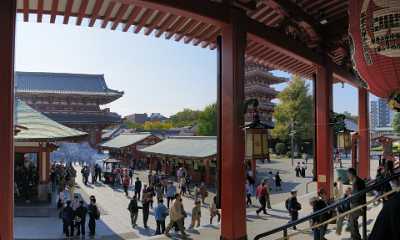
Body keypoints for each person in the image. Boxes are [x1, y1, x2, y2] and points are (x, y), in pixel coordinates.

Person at [347, 167, 366, 240]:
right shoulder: (359, 180)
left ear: (351, 174)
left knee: (352, 221)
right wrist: (352, 192)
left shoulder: (355, 182)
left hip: (357, 205)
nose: (348, 177)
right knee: (352, 221)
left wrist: (350, 195)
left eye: (348, 175)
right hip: (360, 204)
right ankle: (355, 237)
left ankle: (355, 237)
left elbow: (356, 196)